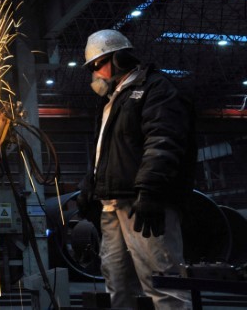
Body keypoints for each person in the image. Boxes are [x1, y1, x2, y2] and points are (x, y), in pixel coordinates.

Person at [77, 29, 197, 309]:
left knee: (163, 283)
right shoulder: (112, 102)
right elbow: (105, 154)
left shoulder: (156, 89)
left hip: (143, 204)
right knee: (117, 285)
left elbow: (163, 141)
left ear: (117, 59)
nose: (94, 74)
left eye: (97, 65)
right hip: (112, 203)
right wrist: (90, 187)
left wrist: (151, 192)